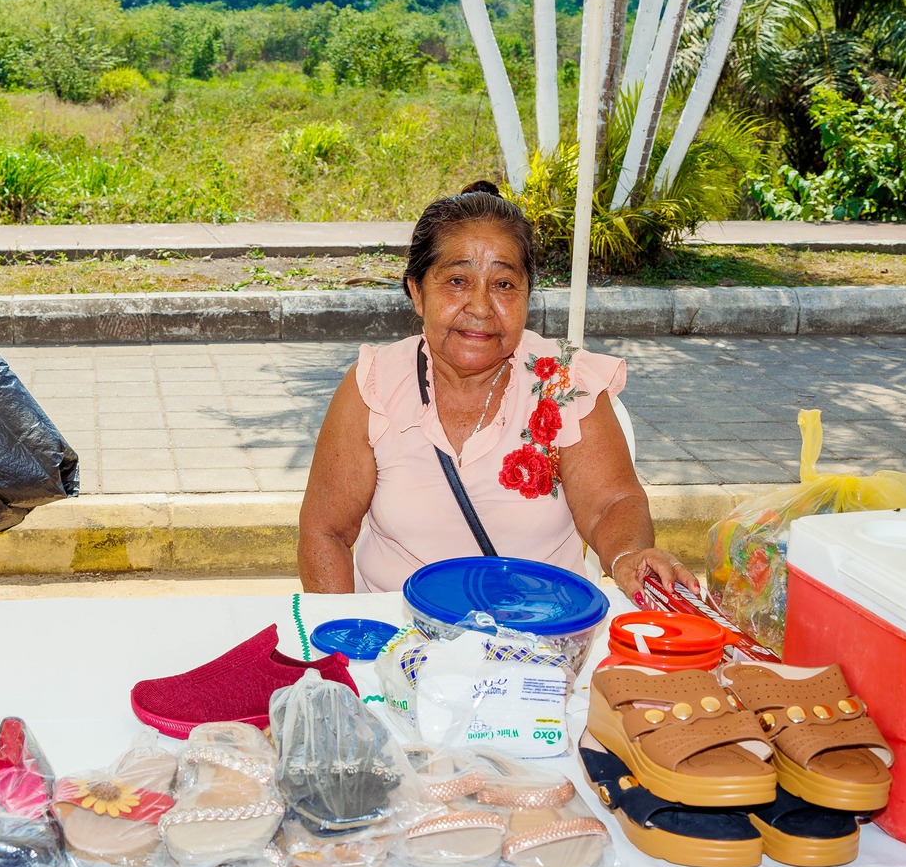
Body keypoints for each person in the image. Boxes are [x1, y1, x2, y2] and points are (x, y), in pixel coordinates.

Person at [298, 181, 698, 601]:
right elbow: (326, 531)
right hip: (398, 628)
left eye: (504, 284)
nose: (481, 307)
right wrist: (342, 631)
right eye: (457, 280)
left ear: (527, 295)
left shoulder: (564, 383)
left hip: (538, 625)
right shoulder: (375, 385)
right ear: (417, 292)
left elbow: (611, 504)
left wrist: (628, 555)